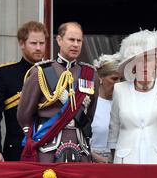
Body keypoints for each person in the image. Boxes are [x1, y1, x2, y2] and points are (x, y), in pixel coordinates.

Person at [17, 22, 99, 163]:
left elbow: (90, 113)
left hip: (80, 144)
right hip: (49, 144)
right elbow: (24, 114)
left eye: (79, 41)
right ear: (59, 40)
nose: (75, 44)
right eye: (71, 40)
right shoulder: (42, 72)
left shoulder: (90, 74)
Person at [107, 29, 157, 164]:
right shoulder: (120, 89)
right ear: (133, 65)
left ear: (156, 64)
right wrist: (115, 162)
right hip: (127, 161)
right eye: (141, 61)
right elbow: (114, 129)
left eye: (150, 61)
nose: (145, 66)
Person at [0, 21, 48, 162]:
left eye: (42, 43)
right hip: (16, 151)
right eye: (33, 43)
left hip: (50, 151)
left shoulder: (55, 74)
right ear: (21, 44)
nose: (38, 48)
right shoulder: (5, 74)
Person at [90, 53, 121, 163]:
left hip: (120, 163)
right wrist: (96, 158)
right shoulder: (90, 103)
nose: (118, 84)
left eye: (121, 80)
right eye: (114, 79)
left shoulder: (124, 103)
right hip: (93, 164)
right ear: (100, 78)